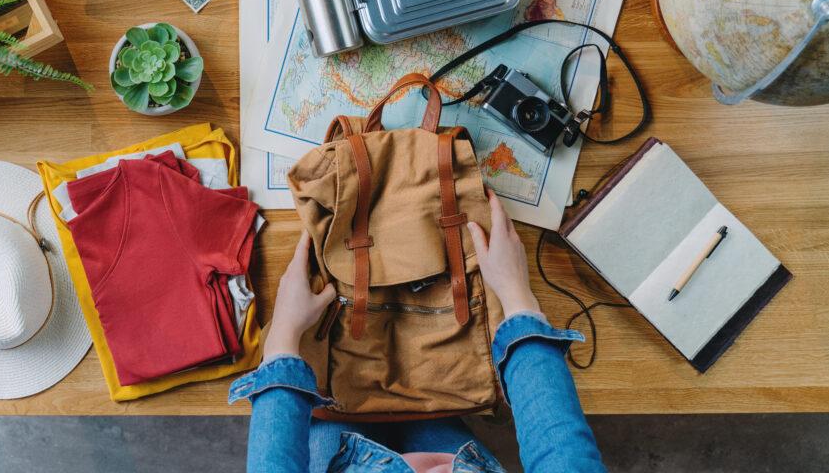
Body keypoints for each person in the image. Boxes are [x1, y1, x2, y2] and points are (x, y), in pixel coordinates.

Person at [230, 191, 606, 472]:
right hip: (451, 459)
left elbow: (274, 462)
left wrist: (283, 333)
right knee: (432, 400)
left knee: (339, 407)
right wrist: (516, 295)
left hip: (340, 455)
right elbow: (561, 449)